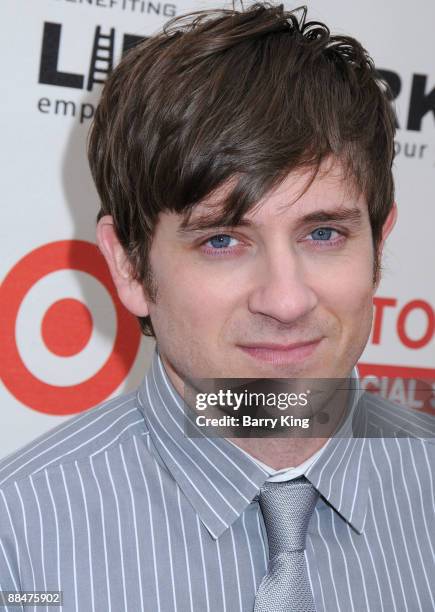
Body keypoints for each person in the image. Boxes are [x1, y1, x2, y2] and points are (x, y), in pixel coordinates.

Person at [0, 2, 434, 611]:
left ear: (378, 245)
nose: (286, 300)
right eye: (222, 240)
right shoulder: (16, 539)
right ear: (129, 266)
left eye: (324, 234)